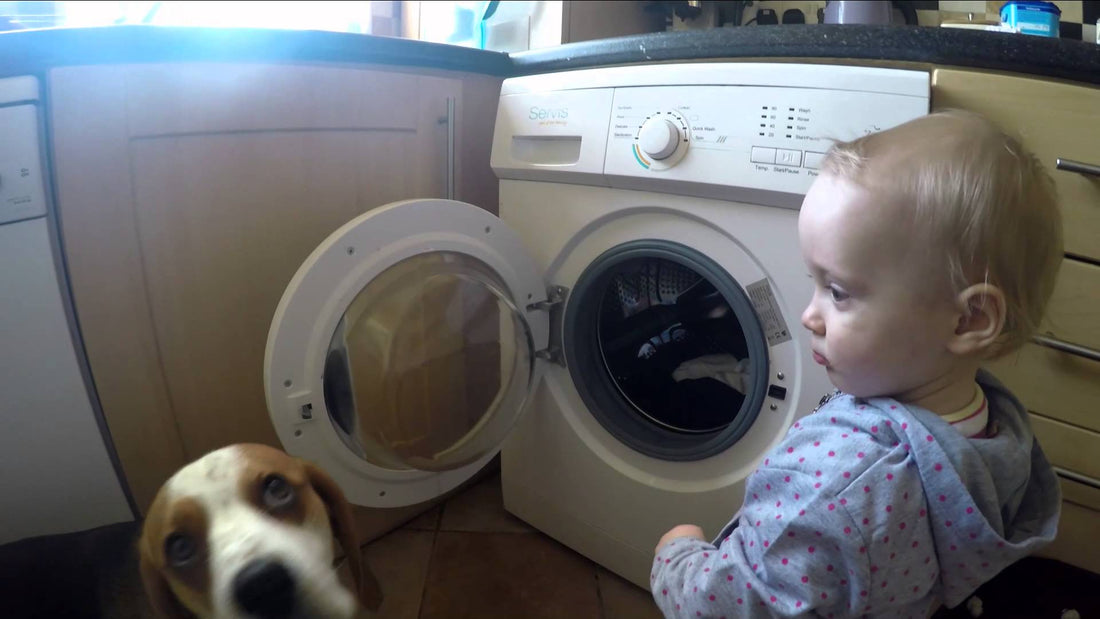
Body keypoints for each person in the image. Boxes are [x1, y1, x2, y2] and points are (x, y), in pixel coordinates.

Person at [650, 110, 1063, 618]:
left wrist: (680, 554)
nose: (809, 315)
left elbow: (722, 608)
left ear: (968, 320)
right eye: (814, 282)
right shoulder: (996, 423)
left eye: (838, 292)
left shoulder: (832, 491)